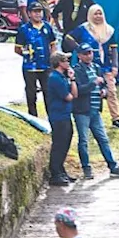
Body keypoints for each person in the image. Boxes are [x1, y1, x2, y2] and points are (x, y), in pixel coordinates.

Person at [71, 43, 119, 178]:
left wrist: (104, 91)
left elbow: (104, 86)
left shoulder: (96, 68)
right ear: (79, 56)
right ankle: (86, 168)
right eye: (85, 53)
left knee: (103, 139)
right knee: (83, 140)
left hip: (95, 110)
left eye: (90, 53)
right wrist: (93, 83)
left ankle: (112, 166)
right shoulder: (76, 70)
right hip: (82, 111)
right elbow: (78, 90)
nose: (89, 56)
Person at [65, 4, 119, 126]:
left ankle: (116, 118)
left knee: (111, 91)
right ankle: (88, 116)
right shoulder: (84, 28)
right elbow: (68, 38)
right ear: (90, 15)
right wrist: (79, 49)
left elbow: (114, 48)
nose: (98, 16)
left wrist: (115, 65)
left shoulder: (109, 30)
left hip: (105, 66)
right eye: (95, 13)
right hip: (87, 66)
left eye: (100, 13)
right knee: (88, 90)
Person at [16, 1, 55, 116]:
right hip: (30, 68)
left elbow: (53, 44)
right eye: (35, 12)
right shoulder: (24, 29)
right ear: (29, 13)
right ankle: (33, 117)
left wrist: (53, 57)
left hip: (46, 66)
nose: (38, 14)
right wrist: (27, 54)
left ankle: (51, 118)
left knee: (49, 93)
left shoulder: (47, 27)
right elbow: (17, 49)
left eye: (40, 11)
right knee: (31, 93)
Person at [45, 51, 77, 185]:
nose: (68, 62)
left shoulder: (63, 77)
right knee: (59, 143)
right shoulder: (55, 78)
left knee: (66, 141)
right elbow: (68, 96)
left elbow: (74, 94)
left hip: (65, 114)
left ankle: (61, 169)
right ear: (59, 63)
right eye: (65, 60)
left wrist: (72, 79)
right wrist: (70, 91)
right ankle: (55, 173)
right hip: (58, 116)